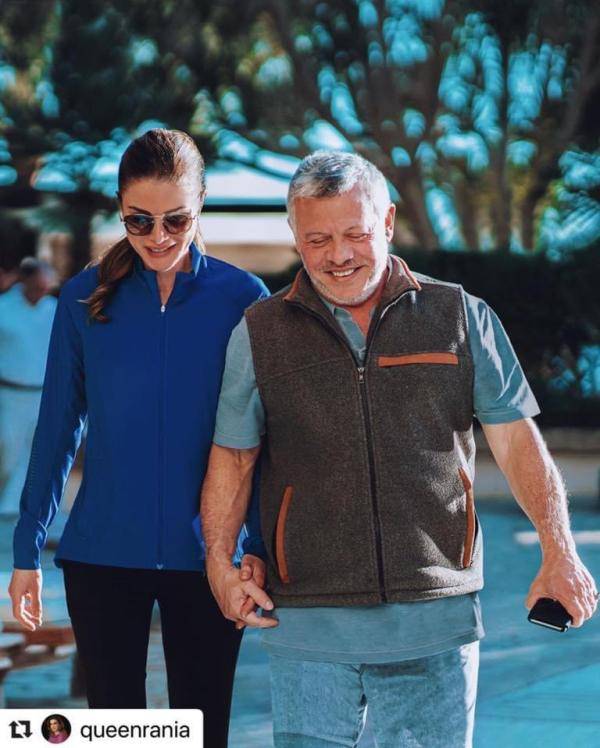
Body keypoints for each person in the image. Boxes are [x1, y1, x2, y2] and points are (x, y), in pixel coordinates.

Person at [201, 151, 598, 747]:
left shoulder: (460, 316)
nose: (338, 255)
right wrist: (219, 563)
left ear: (387, 222)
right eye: (318, 239)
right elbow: (234, 457)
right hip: (308, 624)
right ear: (295, 235)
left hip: (434, 620)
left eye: (355, 234)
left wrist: (559, 550)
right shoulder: (259, 332)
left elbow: (517, 440)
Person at [8, 129, 268, 747]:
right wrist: (26, 551)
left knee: (202, 733)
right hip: (101, 559)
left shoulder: (244, 299)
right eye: (139, 220)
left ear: (201, 204)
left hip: (210, 560)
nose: (158, 237)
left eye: (176, 219)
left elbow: (264, 436)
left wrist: (256, 545)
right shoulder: (83, 298)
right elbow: (56, 430)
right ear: (120, 210)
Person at [0, 258, 57, 515]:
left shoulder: (55, 309)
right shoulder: (3, 308)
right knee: (7, 450)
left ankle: (16, 507)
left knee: (37, 453)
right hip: (9, 393)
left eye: (46, 288)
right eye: (37, 287)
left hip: (44, 394)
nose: (41, 292)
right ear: (24, 281)